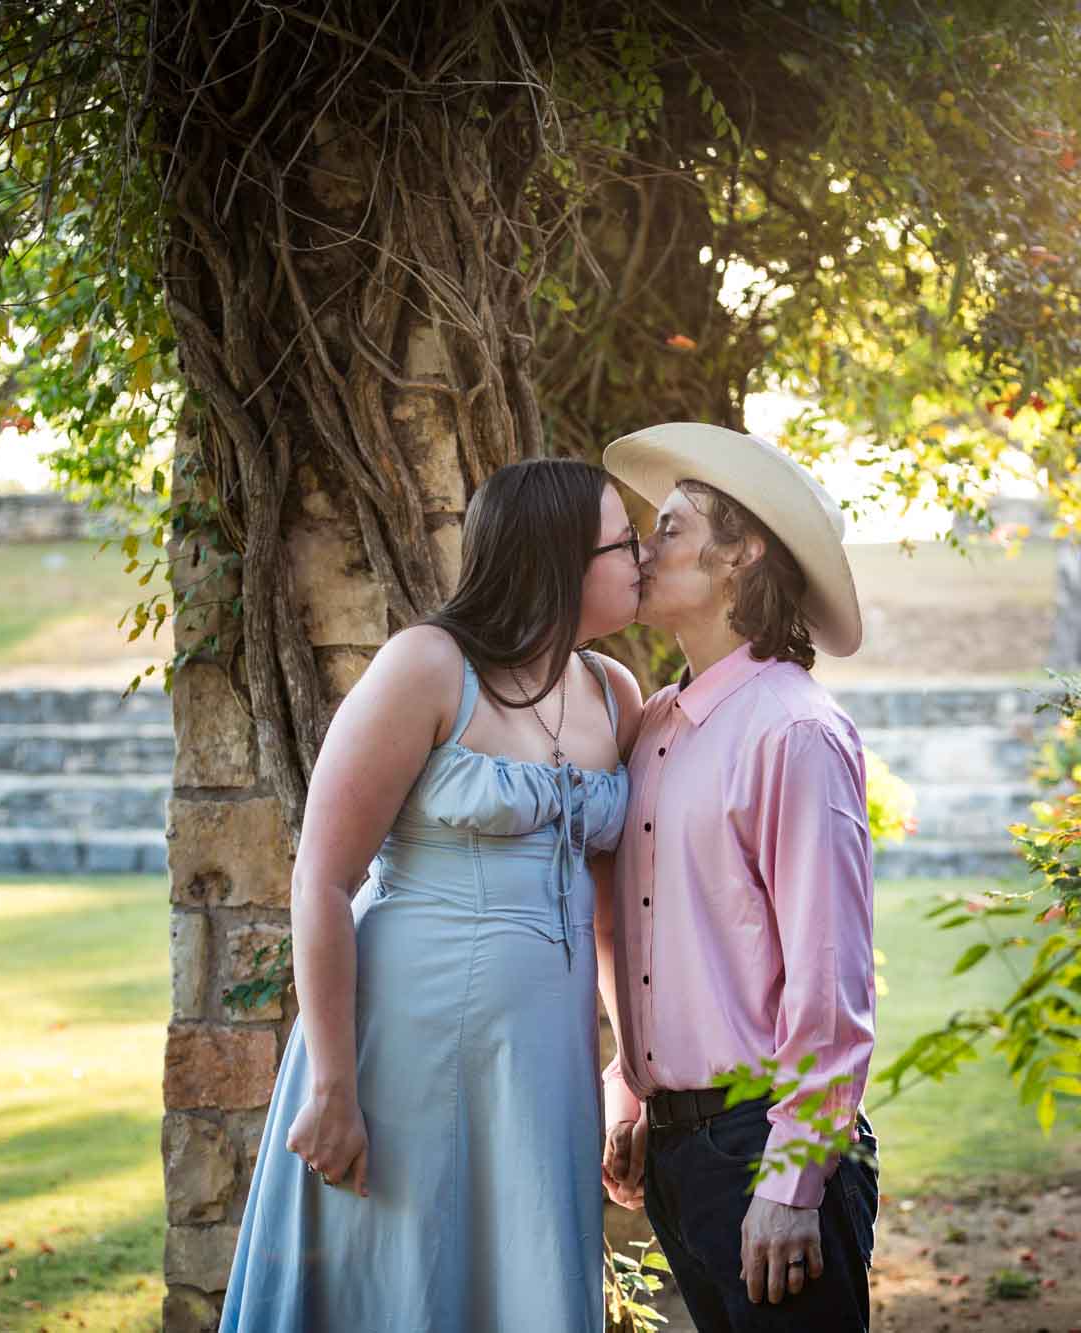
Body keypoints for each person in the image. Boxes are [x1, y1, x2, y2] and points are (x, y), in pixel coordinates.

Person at [218, 458, 646, 1332]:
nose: (641, 557)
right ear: (559, 562)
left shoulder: (615, 694)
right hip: (399, 1048)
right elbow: (323, 878)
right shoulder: (428, 666)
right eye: (624, 542)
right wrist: (333, 1083)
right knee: (397, 1280)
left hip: (541, 1060)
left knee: (521, 1273)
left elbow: (611, 913)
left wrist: (630, 1067)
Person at [595, 422, 879, 1332]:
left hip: (768, 1148)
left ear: (741, 551)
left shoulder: (793, 731)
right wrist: (638, 1093)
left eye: (670, 528)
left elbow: (832, 982)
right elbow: (646, 935)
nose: (644, 549)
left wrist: (793, 1181)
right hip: (681, 1152)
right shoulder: (655, 726)